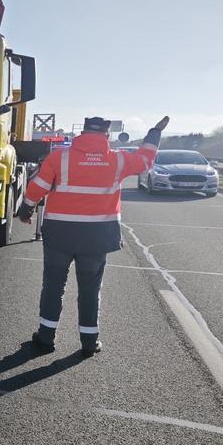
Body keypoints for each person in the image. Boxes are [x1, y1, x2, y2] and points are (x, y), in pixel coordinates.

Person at [18, 115, 170, 357]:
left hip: (60, 234)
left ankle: (45, 338)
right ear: (107, 136)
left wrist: (26, 208)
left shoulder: (60, 157)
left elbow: (38, 186)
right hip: (97, 236)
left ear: (83, 132)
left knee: (53, 285)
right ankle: (89, 342)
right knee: (90, 288)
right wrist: (154, 133)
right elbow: (145, 162)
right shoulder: (118, 160)